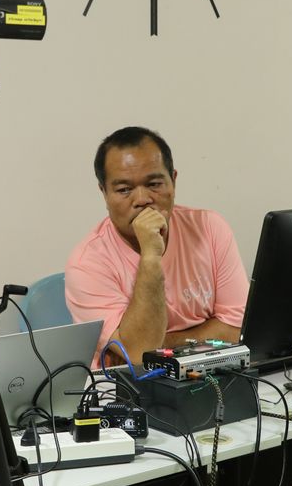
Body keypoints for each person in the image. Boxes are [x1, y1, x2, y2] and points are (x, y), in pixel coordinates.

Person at [65, 126, 249, 369]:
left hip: (211, 374)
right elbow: (140, 354)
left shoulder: (209, 228)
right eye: (124, 190)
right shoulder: (86, 264)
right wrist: (150, 256)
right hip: (129, 387)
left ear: (173, 180)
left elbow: (239, 330)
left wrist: (162, 345)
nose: (142, 199)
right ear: (104, 192)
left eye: (154, 184)